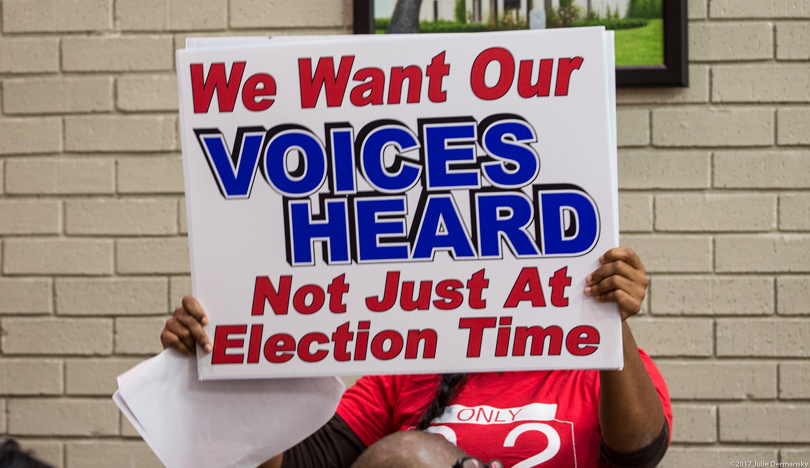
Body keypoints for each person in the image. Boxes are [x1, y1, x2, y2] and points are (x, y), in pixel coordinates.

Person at [162, 247, 672, 468]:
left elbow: (639, 453)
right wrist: (224, 365)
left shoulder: (597, 370)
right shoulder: (414, 368)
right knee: (404, 459)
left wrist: (609, 322)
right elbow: (300, 463)